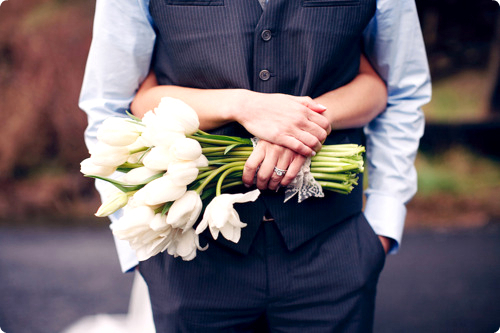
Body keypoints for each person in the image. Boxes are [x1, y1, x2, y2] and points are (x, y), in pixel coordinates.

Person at [79, 0, 431, 332]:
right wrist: (138, 243)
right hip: (191, 259)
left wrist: (381, 228)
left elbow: (399, 90)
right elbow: (112, 104)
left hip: (333, 247)